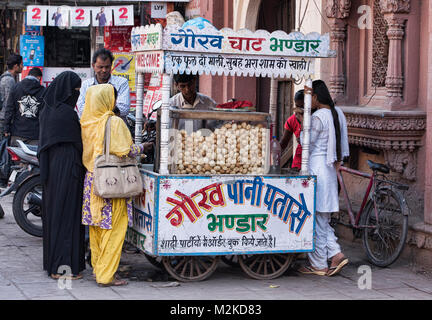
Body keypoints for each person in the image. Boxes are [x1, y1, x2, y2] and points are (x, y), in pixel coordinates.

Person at [80, 83, 146, 287]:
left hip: (93, 180)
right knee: (114, 230)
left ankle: (99, 269)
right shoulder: (114, 122)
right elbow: (125, 150)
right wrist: (143, 147)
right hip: (111, 181)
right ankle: (106, 275)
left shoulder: (87, 121)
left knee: (97, 228)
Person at [297, 80, 350, 277]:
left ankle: (319, 263)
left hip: (318, 168)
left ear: (316, 98)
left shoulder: (319, 117)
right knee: (322, 220)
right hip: (330, 171)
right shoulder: (339, 114)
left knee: (318, 220)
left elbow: (306, 142)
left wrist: (303, 123)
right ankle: (335, 254)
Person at [38, 71, 86, 280]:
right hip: (67, 166)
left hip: (52, 168)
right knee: (67, 215)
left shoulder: (47, 110)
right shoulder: (65, 113)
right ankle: (63, 267)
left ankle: (54, 264)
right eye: (75, 91)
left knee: (55, 214)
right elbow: (78, 141)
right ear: (68, 91)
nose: (75, 94)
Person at [77, 48, 130, 119]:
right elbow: (81, 109)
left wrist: (95, 109)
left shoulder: (121, 83)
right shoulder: (86, 85)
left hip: (114, 128)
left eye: (107, 67)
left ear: (111, 65)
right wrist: (110, 110)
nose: (104, 70)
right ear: (93, 66)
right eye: (100, 67)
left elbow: (124, 109)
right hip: (93, 128)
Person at [4, 67, 45, 146]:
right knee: (33, 158)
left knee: (14, 158)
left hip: (17, 134)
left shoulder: (15, 87)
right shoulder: (43, 91)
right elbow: (45, 115)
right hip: (35, 136)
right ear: (39, 77)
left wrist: (6, 129)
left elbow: (9, 110)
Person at [280, 89, 306, 172]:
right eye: (297, 106)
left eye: (302, 107)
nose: (299, 109)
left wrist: (302, 120)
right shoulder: (292, 120)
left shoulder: (315, 117)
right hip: (298, 160)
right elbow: (284, 143)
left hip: (312, 158)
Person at [0, 54, 23, 135]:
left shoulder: (8, 78)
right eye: (21, 64)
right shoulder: (9, 80)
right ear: (16, 66)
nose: (22, 67)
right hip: (3, 119)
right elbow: (8, 103)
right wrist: (7, 124)